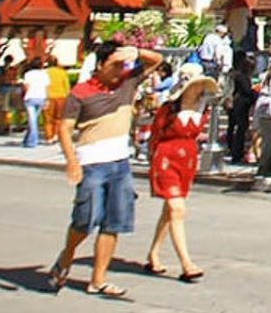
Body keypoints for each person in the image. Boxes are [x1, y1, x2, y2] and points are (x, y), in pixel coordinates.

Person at [50, 41, 163, 298]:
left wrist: (135, 52)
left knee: (114, 222)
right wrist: (72, 161)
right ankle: (66, 257)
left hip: (120, 163)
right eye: (113, 65)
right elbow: (64, 128)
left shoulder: (127, 83)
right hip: (92, 163)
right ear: (99, 65)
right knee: (85, 220)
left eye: (121, 65)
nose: (118, 70)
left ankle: (98, 279)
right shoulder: (81, 92)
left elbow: (155, 60)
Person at [143, 74, 216, 282]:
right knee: (177, 209)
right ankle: (186, 263)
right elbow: (156, 133)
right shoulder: (169, 109)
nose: (198, 89)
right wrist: (152, 158)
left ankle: (154, 253)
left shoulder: (203, 109)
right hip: (166, 157)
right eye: (195, 85)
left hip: (187, 160)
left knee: (170, 211)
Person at [20, 58, 50, 148]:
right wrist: (47, 99)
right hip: (41, 97)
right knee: (33, 119)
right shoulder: (44, 74)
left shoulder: (28, 74)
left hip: (30, 97)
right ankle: (27, 139)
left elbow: (26, 86)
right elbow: (46, 88)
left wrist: (25, 96)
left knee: (32, 120)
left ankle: (32, 141)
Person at [44, 59, 71, 141]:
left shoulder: (45, 72)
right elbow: (66, 85)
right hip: (61, 96)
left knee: (48, 118)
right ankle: (56, 134)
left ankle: (49, 137)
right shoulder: (62, 72)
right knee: (58, 117)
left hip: (49, 96)